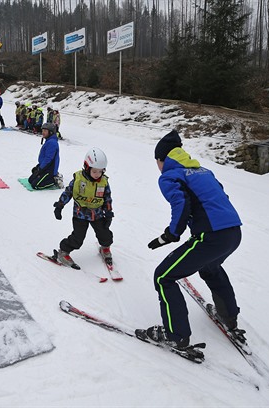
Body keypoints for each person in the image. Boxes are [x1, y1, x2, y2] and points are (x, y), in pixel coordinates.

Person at [138, 130, 243, 351]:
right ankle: (228, 317)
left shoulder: (169, 176)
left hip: (211, 237)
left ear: (163, 159)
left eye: (157, 160)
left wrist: (171, 234)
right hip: (234, 233)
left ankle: (176, 336)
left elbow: (181, 204)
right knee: (210, 267)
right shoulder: (204, 171)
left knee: (163, 276)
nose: (157, 165)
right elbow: (220, 197)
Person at [52, 147, 114, 267]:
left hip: (97, 214)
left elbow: (107, 197)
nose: (97, 174)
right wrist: (60, 205)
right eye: (94, 171)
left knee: (105, 234)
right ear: (87, 167)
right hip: (80, 214)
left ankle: (105, 248)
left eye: (100, 171)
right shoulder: (78, 180)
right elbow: (68, 192)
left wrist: (109, 212)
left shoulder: (103, 182)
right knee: (78, 238)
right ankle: (63, 252)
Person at [29, 123, 60, 190]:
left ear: (51, 132)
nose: (43, 132)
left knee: (35, 185)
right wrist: (38, 167)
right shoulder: (49, 140)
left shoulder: (52, 143)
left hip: (49, 169)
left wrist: (40, 169)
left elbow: (48, 159)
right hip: (45, 166)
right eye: (42, 130)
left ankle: (55, 180)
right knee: (30, 180)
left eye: (45, 131)